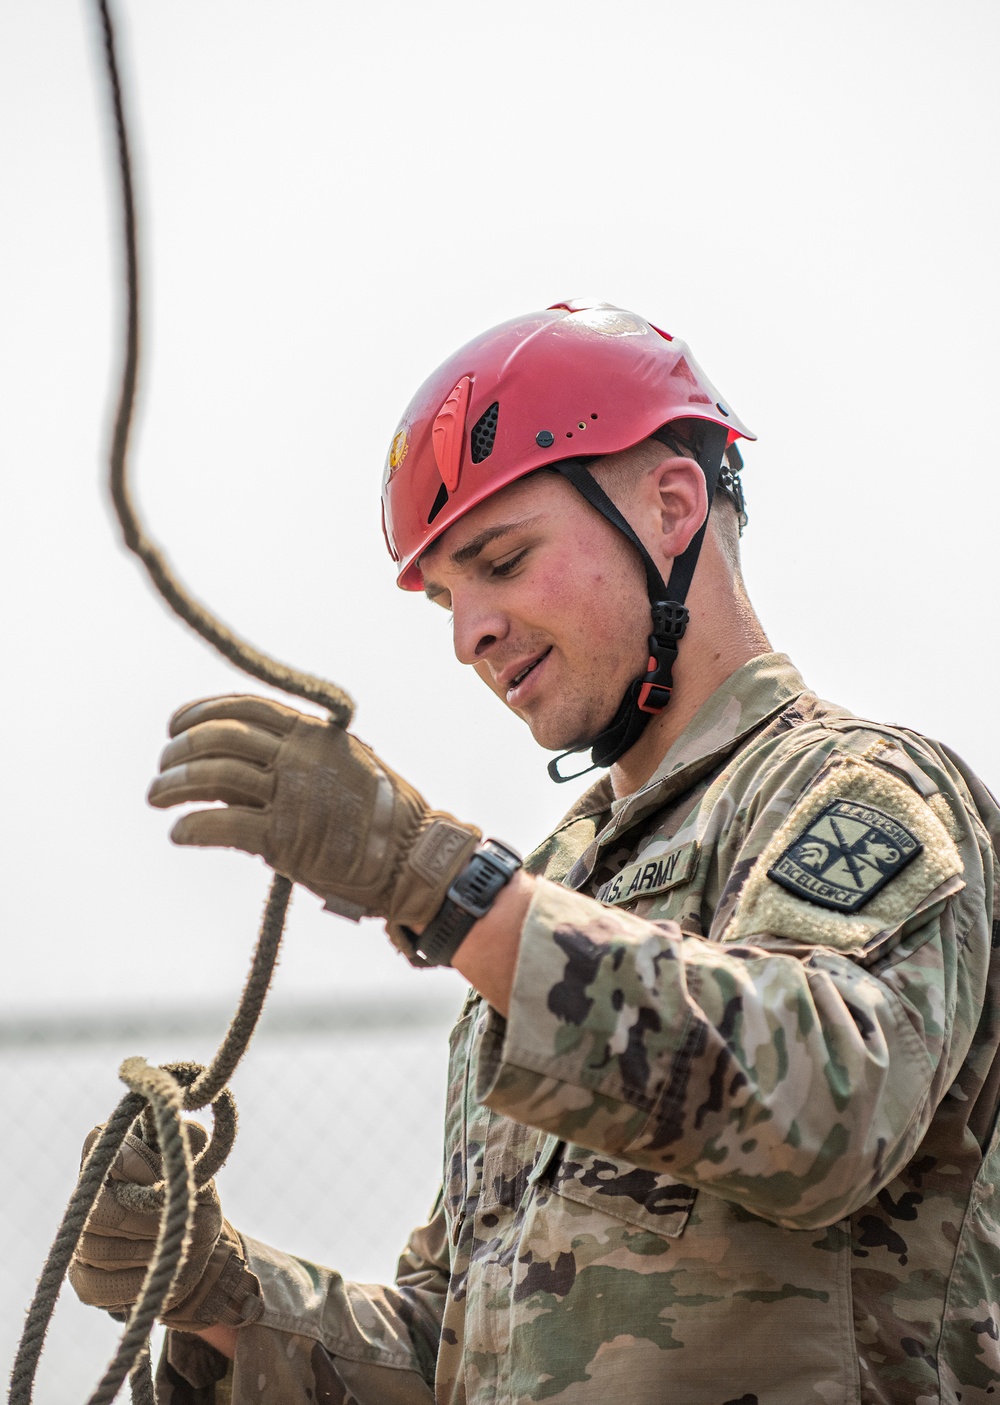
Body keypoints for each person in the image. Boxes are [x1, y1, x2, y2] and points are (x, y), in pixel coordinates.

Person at [71, 301, 1000, 1404]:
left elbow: (831, 1103)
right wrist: (215, 1294)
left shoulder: (854, 791)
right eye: (449, 601)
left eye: (501, 561)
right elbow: (462, 1346)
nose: (470, 634)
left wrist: (437, 881)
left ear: (670, 505)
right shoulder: (554, 893)